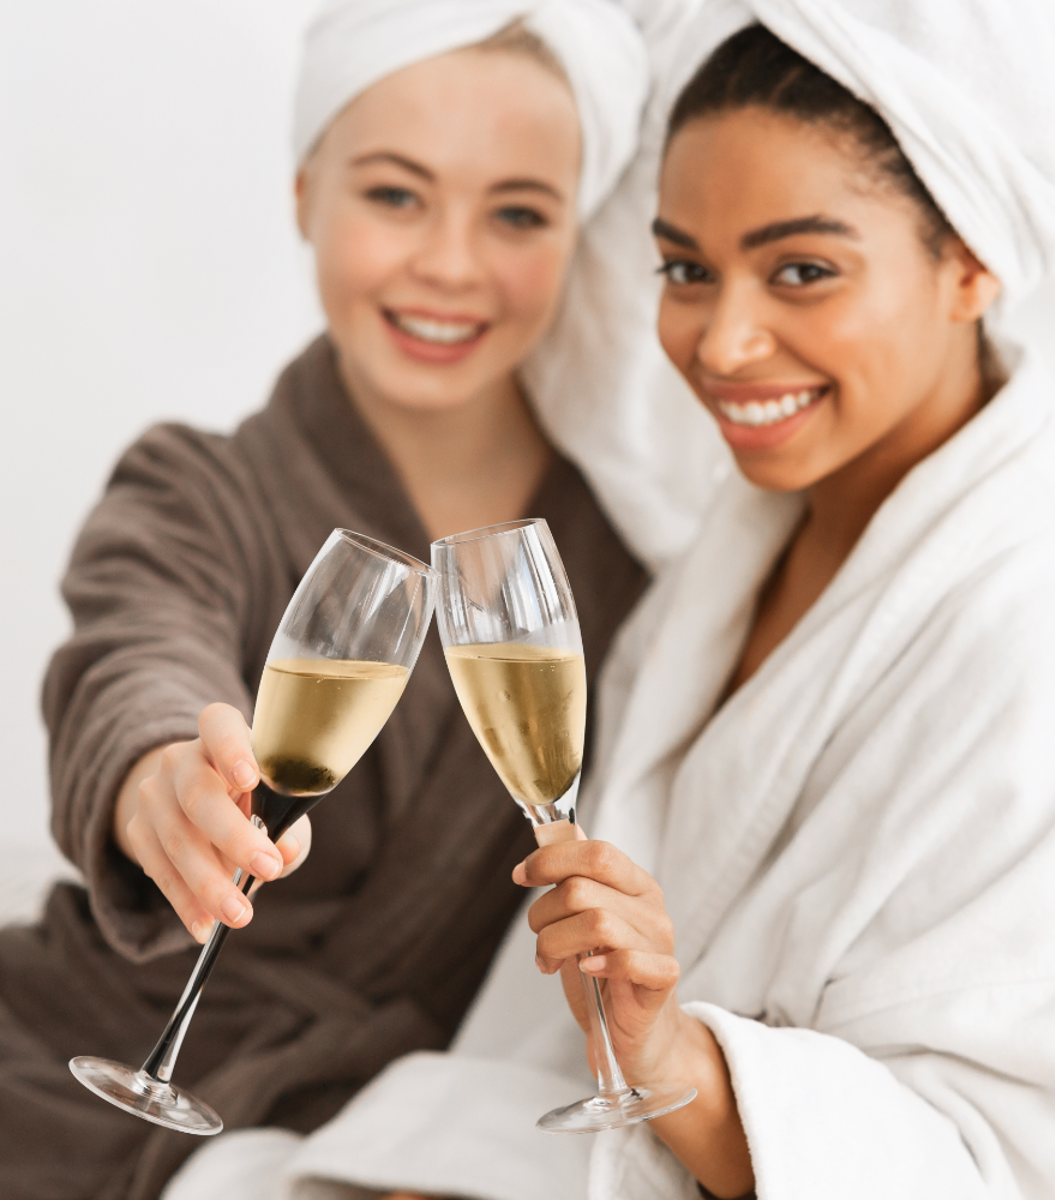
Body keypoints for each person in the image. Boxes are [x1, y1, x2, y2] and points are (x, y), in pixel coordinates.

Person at [164, 2, 1055, 1199]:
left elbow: (1003, 1169)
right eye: (686, 270)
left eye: (804, 269)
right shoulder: (736, 553)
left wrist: (672, 1057)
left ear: (971, 262)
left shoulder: (1049, 674)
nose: (723, 341)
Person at [0, 3, 724, 1198]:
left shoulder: (626, 565)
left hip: (383, 1130)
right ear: (303, 194)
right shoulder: (197, 489)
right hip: (63, 1072)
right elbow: (133, 656)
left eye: (518, 213)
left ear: (581, 231)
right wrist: (165, 780)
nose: (450, 262)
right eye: (396, 194)